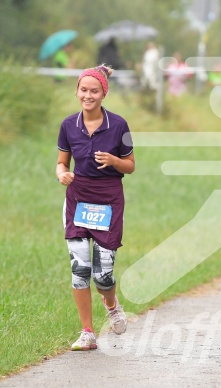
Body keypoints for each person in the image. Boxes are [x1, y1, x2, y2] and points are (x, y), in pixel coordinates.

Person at [56, 65, 135, 351]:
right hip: (78, 198)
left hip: (109, 199)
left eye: (94, 91)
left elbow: (131, 165)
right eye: (84, 90)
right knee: (80, 270)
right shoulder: (68, 125)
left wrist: (114, 161)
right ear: (77, 91)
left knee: (103, 276)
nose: (88, 95)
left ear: (104, 93)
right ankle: (87, 332)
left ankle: (112, 305)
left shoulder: (119, 125)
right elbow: (62, 162)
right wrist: (61, 173)